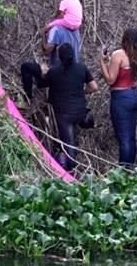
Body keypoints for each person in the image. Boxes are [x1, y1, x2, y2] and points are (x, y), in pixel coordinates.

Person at [99, 28, 137, 166]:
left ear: (124, 39)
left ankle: (123, 170)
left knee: (123, 138)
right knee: (131, 136)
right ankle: (130, 167)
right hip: (133, 95)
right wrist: (136, 83)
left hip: (120, 98)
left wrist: (102, 62)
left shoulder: (118, 54)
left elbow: (110, 80)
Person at [40, 43, 98, 171]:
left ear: (59, 57)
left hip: (63, 114)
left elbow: (42, 83)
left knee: (69, 143)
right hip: (80, 111)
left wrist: (43, 72)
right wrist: (82, 92)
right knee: (71, 139)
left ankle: (70, 170)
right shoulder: (82, 68)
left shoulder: (54, 71)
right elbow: (94, 87)